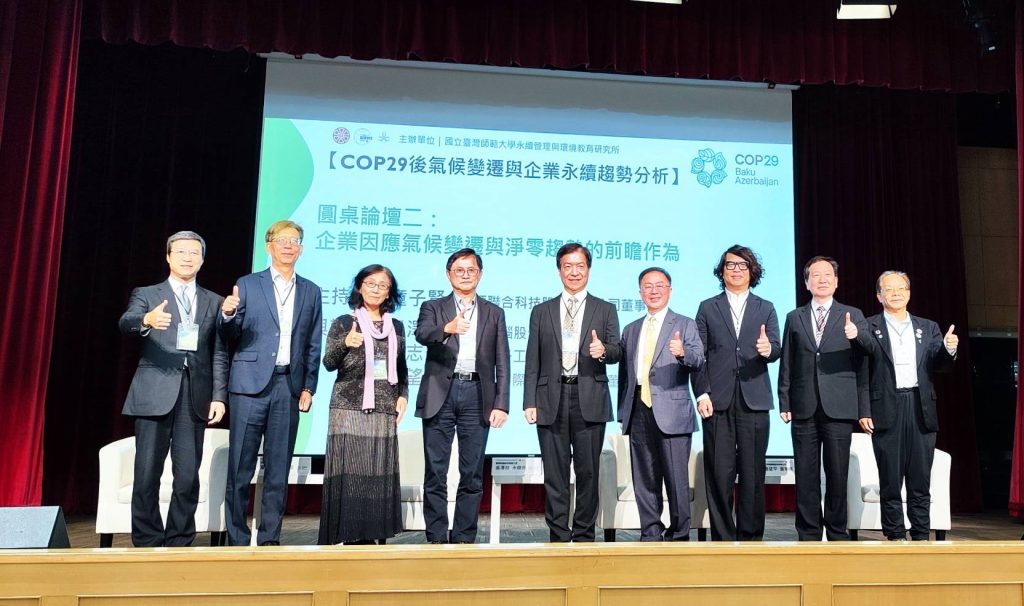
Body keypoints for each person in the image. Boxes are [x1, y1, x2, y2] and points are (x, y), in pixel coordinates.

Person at [118, 230, 228, 547]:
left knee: (188, 476)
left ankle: (179, 540)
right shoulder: (147, 294)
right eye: (180, 252)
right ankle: (148, 540)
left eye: (194, 253)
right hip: (154, 392)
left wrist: (219, 396)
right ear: (168, 257)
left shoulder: (214, 301)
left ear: (202, 260)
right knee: (146, 473)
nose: (187, 258)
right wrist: (147, 320)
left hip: (195, 396)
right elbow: (126, 322)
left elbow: (219, 352)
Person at [219, 220, 323, 546]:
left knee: (279, 468)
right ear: (269, 246)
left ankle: (269, 540)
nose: (289, 245)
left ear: (301, 249)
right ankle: (237, 540)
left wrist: (308, 386)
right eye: (282, 240)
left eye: (295, 240)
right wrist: (227, 315)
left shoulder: (311, 290)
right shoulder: (248, 284)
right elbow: (229, 335)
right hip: (249, 386)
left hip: (288, 386)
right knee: (240, 466)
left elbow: (313, 343)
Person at [524, 242, 622, 542]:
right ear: (559, 270)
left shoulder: (605, 309)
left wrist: (603, 351)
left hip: (589, 396)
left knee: (588, 472)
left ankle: (583, 535)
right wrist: (529, 401)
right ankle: (558, 534)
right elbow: (532, 360)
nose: (574, 272)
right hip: (550, 398)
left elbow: (617, 351)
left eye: (580, 266)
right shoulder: (542, 311)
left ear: (588, 270)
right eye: (568, 266)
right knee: (555, 473)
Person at [415, 249, 510, 544]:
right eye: (459, 270)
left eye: (471, 270)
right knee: (436, 470)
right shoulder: (433, 307)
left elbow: (503, 361)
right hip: (440, 393)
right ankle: (436, 536)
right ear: (449, 275)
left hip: (477, 393)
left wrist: (501, 404)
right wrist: (447, 328)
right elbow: (422, 334)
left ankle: (464, 537)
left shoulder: (494, 312)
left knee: (471, 471)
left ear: (480, 274)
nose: (465, 275)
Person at [854, 271, 957, 540]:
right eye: (889, 289)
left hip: (921, 407)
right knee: (890, 478)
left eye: (901, 288)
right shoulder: (868, 326)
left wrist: (949, 349)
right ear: (879, 296)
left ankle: (921, 535)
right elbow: (862, 372)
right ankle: (895, 535)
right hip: (885, 407)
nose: (896, 293)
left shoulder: (928, 327)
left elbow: (941, 366)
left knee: (920, 478)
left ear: (909, 293)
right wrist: (864, 409)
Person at [693, 245, 781, 541]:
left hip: (754, 400)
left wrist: (768, 350)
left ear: (752, 271)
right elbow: (698, 355)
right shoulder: (708, 307)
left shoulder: (765, 307)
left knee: (753, 473)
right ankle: (722, 539)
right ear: (722, 271)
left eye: (743, 265)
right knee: (719, 474)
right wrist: (702, 393)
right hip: (717, 401)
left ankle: (751, 538)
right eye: (730, 265)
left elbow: (776, 348)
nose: (736, 270)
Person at [778, 255, 868, 541]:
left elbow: (866, 359)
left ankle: (838, 532)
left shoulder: (852, 314)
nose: (822, 279)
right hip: (803, 405)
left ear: (836, 281)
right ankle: (808, 533)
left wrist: (856, 336)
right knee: (805, 473)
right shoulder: (795, 317)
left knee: (837, 472)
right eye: (815, 275)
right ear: (807, 283)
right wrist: (784, 400)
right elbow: (787, 362)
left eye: (828, 274)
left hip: (839, 405)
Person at [318, 264, 408, 545]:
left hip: (384, 406)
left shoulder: (396, 327)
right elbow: (329, 362)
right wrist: (345, 342)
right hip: (348, 406)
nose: (376, 289)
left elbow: (401, 368)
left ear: (389, 292)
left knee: (376, 472)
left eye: (383, 285)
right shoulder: (344, 322)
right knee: (351, 472)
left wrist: (403, 395)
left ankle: (374, 535)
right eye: (370, 283)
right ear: (359, 287)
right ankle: (349, 536)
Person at [617, 267, 704, 541]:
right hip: (638, 409)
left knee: (676, 477)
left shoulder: (685, 324)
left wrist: (682, 353)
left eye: (659, 285)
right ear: (640, 292)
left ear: (670, 290)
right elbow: (624, 376)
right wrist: (623, 413)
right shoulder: (631, 329)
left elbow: (699, 360)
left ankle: (679, 534)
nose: (653, 291)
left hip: (673, 412)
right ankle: (651, 532)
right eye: (647, 286)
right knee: (644, 476)